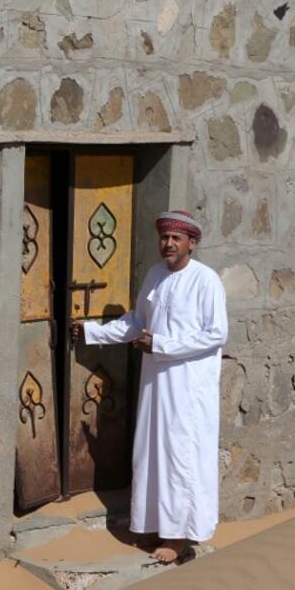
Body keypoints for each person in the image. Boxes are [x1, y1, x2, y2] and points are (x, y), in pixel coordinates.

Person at [71, 210, 227, 563]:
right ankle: (159, 526)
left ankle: (180, 538)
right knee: (153, 454)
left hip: (188, 391)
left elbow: (216, 334)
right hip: (155, 385)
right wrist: (93, 331)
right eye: (164, 237)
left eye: (176, 238)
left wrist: (162, 345)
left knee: (180, 457)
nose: (168, 244)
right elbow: (137, 322)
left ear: (192, 243)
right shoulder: (156, 276)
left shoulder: (206, 281)